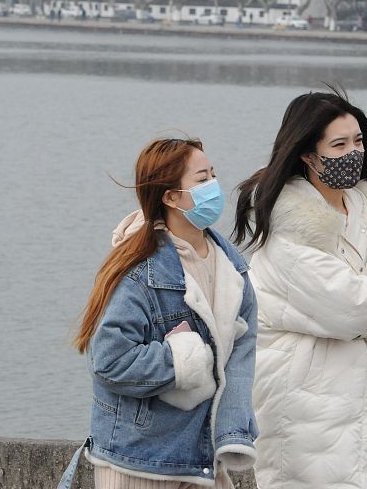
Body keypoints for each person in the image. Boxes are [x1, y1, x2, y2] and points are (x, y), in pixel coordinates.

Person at [233, 89, 367, 489]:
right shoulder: (285, 231)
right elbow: (353, 309)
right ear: (306, 154)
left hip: (350, 397)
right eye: (339, 144)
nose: (353, 152)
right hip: (298, 401)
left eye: (358, 142)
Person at [58, 138, 258, 489]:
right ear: (170, 197)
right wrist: (185, 362)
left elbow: (242, 353)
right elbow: (109, 359)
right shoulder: (140, 272)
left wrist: (234, 432)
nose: (214, 186)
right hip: (139, 463)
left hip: (202, 461)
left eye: (214, 175)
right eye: (201, 179)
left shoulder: (233, 269)